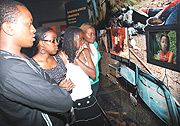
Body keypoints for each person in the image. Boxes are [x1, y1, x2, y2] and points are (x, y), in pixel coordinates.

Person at [0, 0, 73, 126]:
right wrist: (60, 90)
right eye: (29, 24)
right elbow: (62, 101)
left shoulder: (19, 58)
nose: (33, 29)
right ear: (9, 28)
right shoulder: (12, 69)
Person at [58, 26, 104, 126]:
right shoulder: (62, 56)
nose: (83, 42)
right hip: (75, 103)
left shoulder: (85, 51)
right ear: (71, 40)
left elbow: (93, 75)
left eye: (82, 39)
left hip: (90, 98)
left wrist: (78, 60)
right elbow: (58, 81)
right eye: (80, 39)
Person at [80, 23, 101, 96]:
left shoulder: (94, 45)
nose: (93, 36)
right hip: (85, 83)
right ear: (82, 34)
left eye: (94, 34)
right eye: (90, 34)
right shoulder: (79, 48)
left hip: (96, 80)